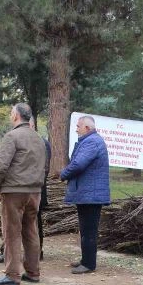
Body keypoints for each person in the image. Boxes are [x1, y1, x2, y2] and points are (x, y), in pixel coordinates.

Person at [0, 103, 47, 285]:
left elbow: (1, 165)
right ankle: (33, 272)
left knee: (11, 232)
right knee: (31, 231)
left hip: (14, 192)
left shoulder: (12, 136)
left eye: (10, 112)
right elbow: (44, 166)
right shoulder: (39, 138)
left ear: (15, 115)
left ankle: (12, 275)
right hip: (35, 192)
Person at [59, 115, 110, 274]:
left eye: (78, 126)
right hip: (88, 194)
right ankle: (85, 259)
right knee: (86, 229)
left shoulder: (92, 142)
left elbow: (78, 164)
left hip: (91, 196)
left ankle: (89, 264)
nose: (76, 129)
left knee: (89, 230)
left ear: (87, 128)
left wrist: (63, 174)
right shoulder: (91, 141)